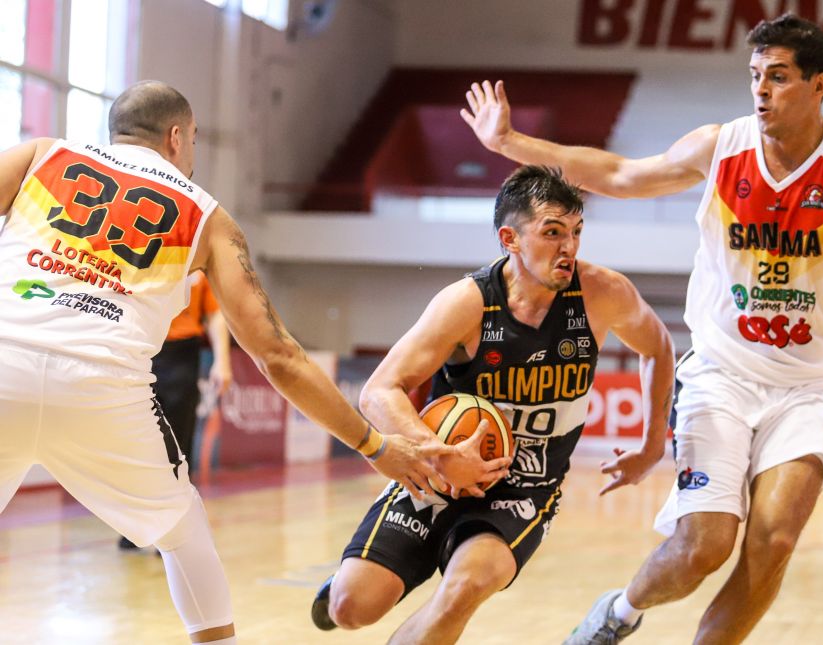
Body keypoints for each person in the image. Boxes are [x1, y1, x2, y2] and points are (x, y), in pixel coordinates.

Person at [461, 13, 823, 645]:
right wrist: (510, 141)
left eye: (778, 77)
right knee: (704, 546)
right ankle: (619, 612)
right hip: (720, 377)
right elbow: (618, 174)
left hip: (809, 389)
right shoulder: (720, 146)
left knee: (774, 540)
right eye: (755, 75)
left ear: (818, 85)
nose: (761, 90)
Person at [0, 80, 508, 644]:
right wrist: (374, 446)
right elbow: (278, 356)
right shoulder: (205, 216)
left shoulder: (42, 155)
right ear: (176, 137)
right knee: (182, 536)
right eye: (195, 140)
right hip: (101, 388)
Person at [309, 165, 675, 645]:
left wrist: (652, 445)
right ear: (510, 238)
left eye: (576, 232)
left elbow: (658, 346)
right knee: (351, 608)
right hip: (437, 473)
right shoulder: (468, 303)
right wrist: (439, 454)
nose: (569, 247)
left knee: (463, 589)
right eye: (552, 233)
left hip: (524, 486)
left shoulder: (602, 294)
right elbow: (378, 391)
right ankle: (348, 582)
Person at [117, 271, 230, 550]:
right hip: (138, 350)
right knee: (135, 443)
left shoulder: (197, 270)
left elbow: (215, 314)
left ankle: (175, 531)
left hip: (182, 355)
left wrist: (222, 361)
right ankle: (134, 527)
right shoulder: (138, 261)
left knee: (177, 446)